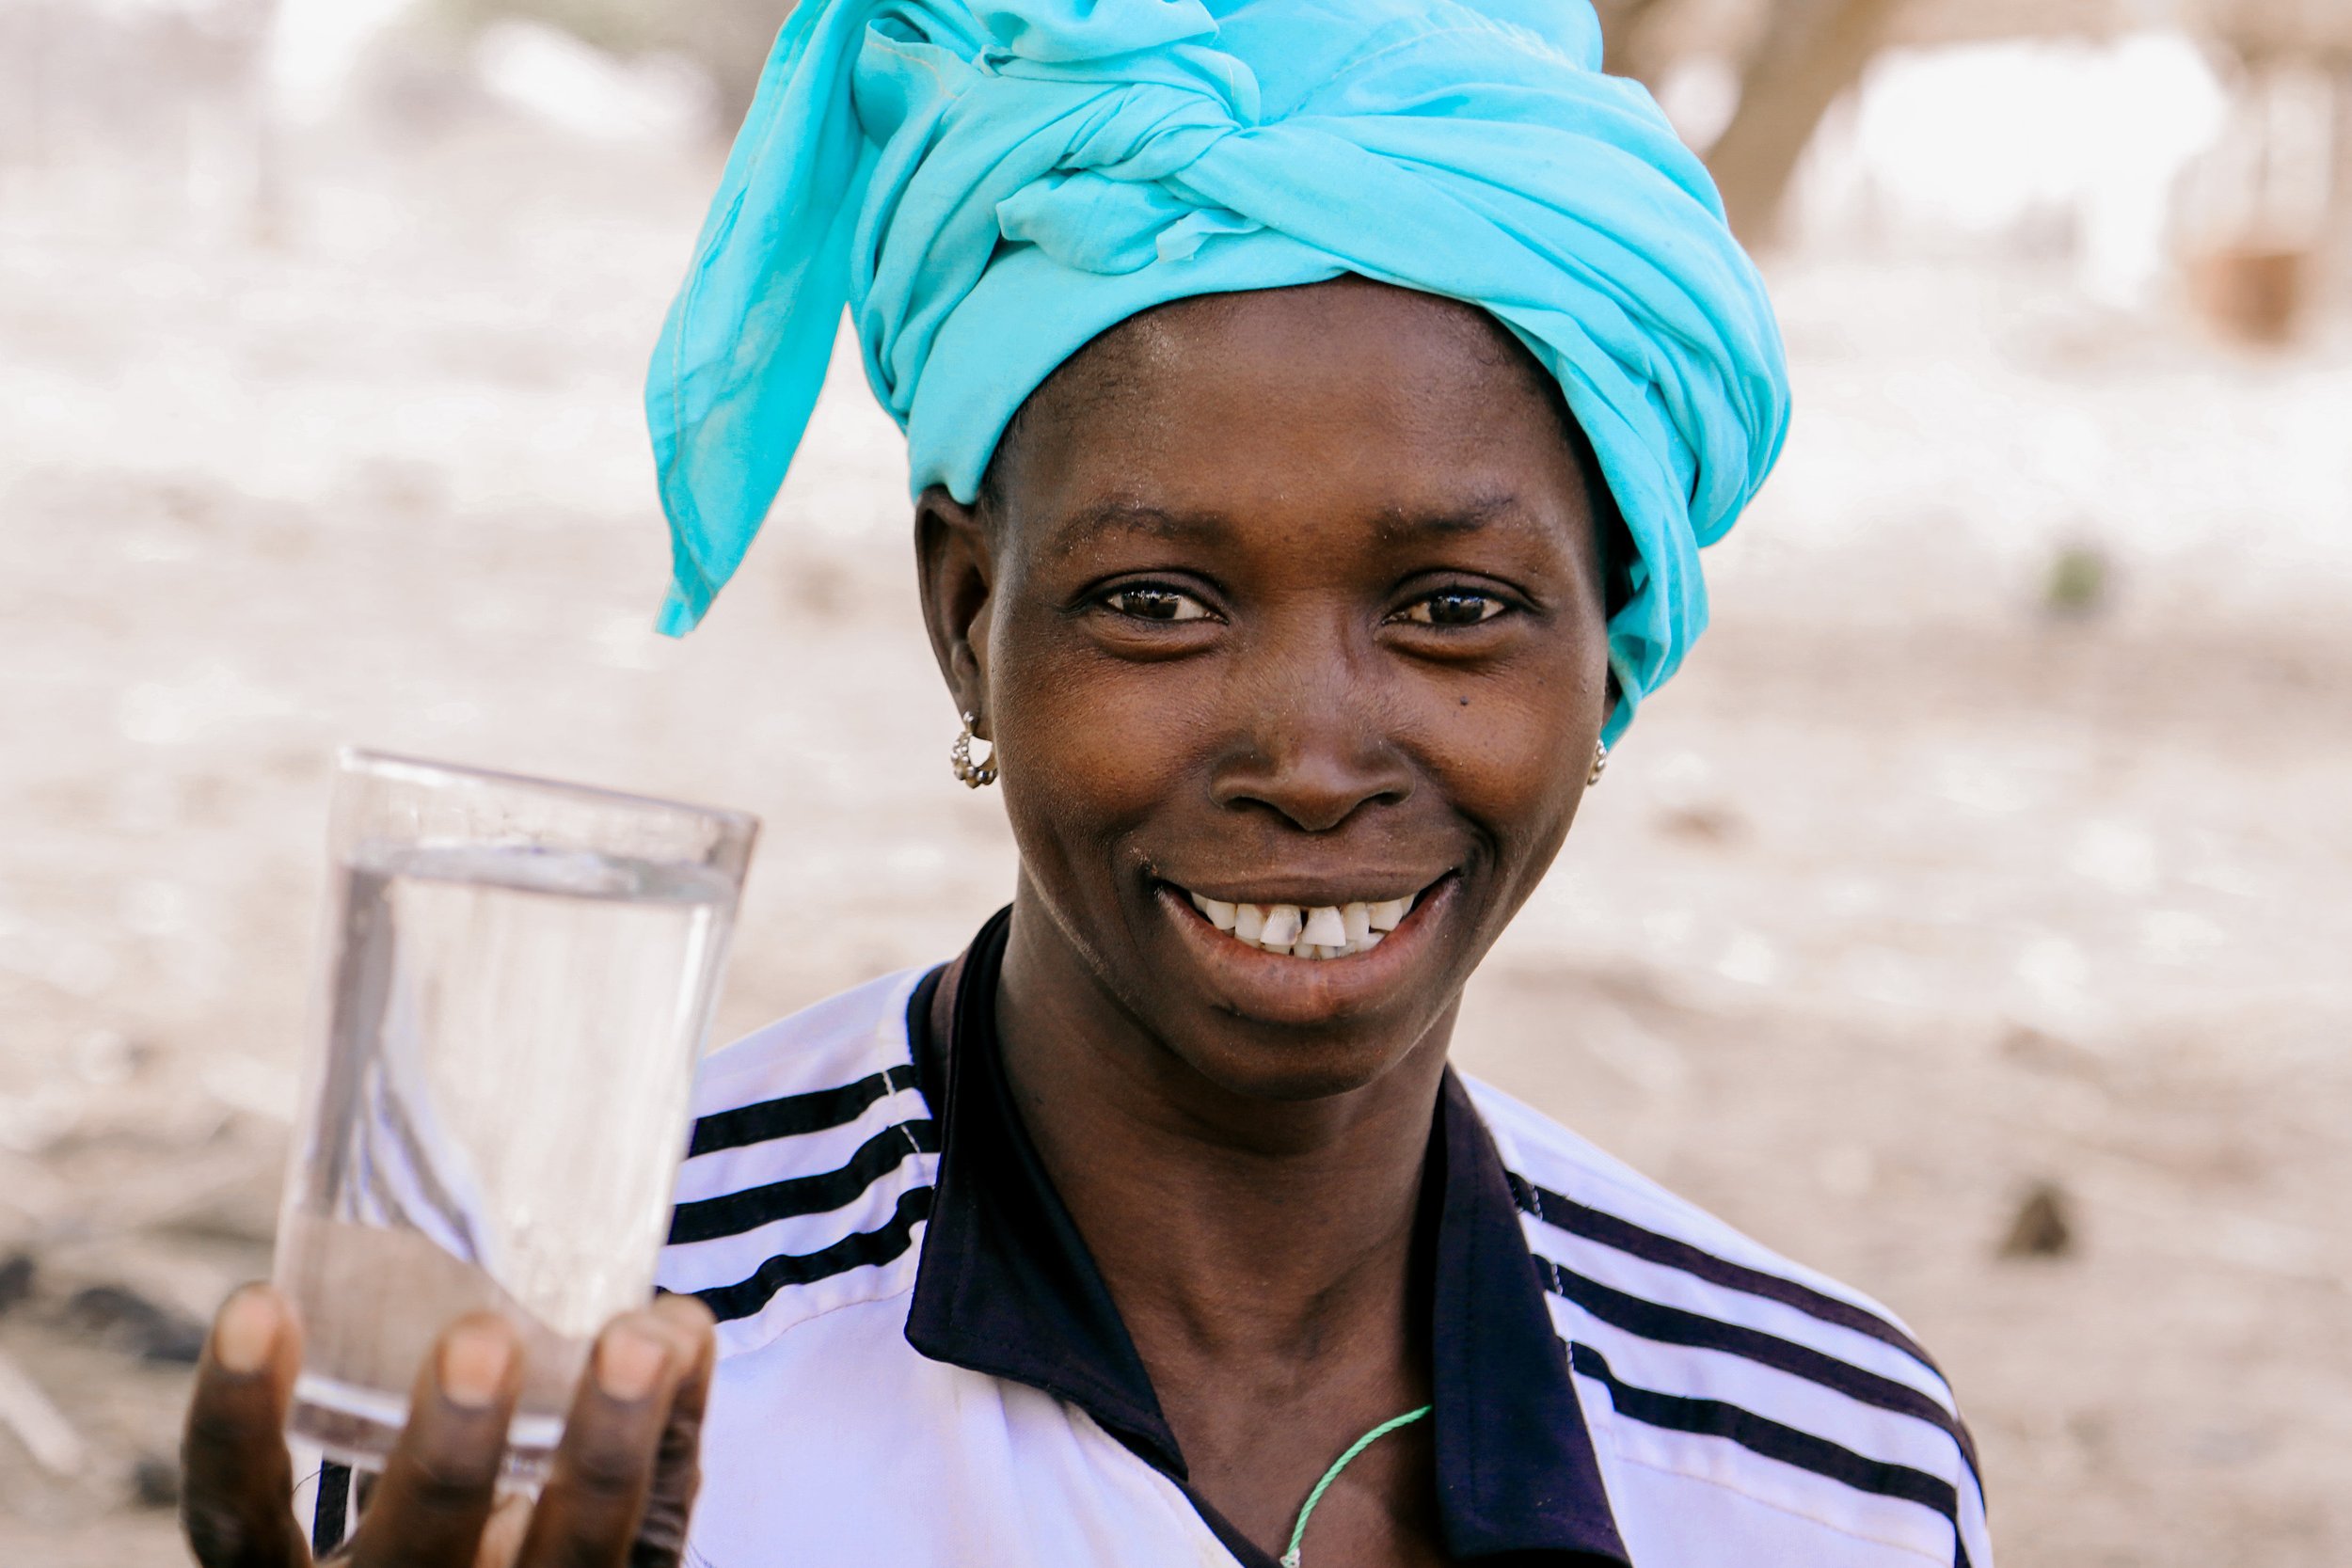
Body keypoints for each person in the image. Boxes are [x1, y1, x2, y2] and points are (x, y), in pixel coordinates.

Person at [178, 0, 1992, 1564]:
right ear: (971, 620)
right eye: (1155, 604)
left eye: (1452, 610)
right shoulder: (593, 1364)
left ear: (1616, 645)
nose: (1308, 755)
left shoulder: (1819, 1473)